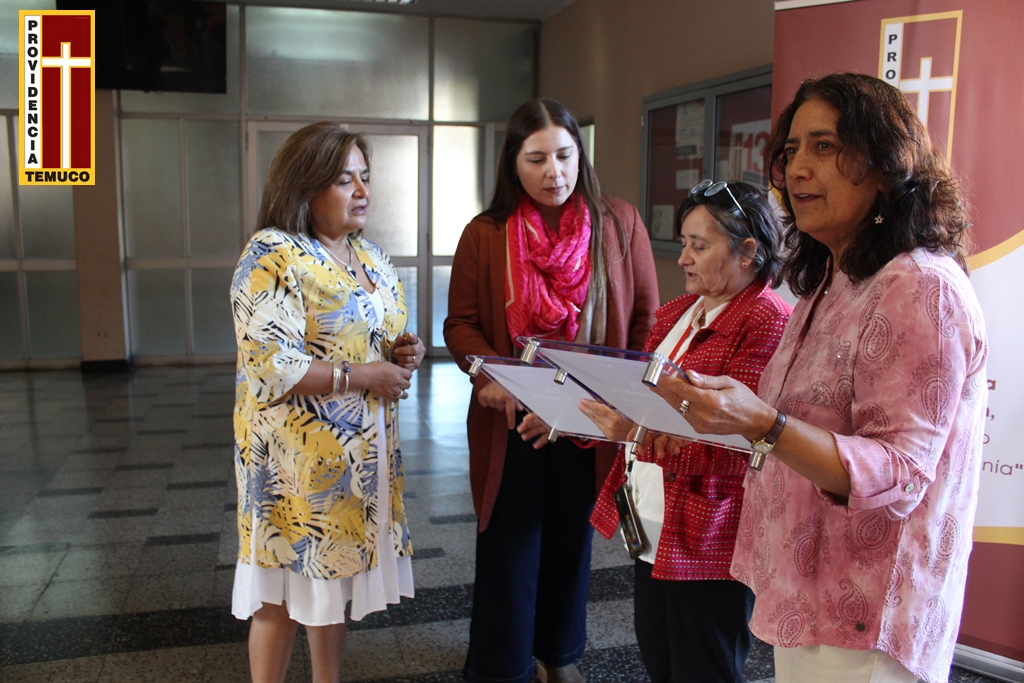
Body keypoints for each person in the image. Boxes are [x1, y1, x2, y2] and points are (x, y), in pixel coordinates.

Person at [649, 73, 987, 683]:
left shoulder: (919, 286)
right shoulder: (832, 280)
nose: (796, 170)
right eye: (791, 150)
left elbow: (901, 472)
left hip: (869, 614)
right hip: (807, 592)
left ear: (885, 163)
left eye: (824, 147)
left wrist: (761, 422)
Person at [443, 98, 659, 683]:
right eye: (536, 159)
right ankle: (501, 665)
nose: (554, 172)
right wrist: (488, 374)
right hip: (514, 414)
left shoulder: (619, 223)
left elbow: (646, 321)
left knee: (571, 541)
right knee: (508, 545)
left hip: (591, 415)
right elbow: (460, 324)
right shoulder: (486, 234)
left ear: (580, 155)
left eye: (564, 156)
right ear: (512, 163)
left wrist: (616, 397)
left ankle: (559, 657)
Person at [229, 122, 426, 683]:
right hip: (296, 464)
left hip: (359, 459)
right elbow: (272, 365)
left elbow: (375, 333)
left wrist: (401, 352)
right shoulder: (273, 254)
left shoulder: (369, 255)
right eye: (344, 180)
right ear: (304, 186)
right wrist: (366, 374)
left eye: (365, 176)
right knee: (280, 591)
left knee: (331, 585)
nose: (362, 191)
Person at [581, 180, 791, 682]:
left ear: (748, 251)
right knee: (661, 659)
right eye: (684, 243)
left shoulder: (766, 320)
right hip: (654, 520)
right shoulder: (681, 313)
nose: (683, 259)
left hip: (709, 532)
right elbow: (638, 401)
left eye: (699, 245)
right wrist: (570, 411)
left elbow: (738, 442)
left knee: (704, 668)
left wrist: (636, 433)